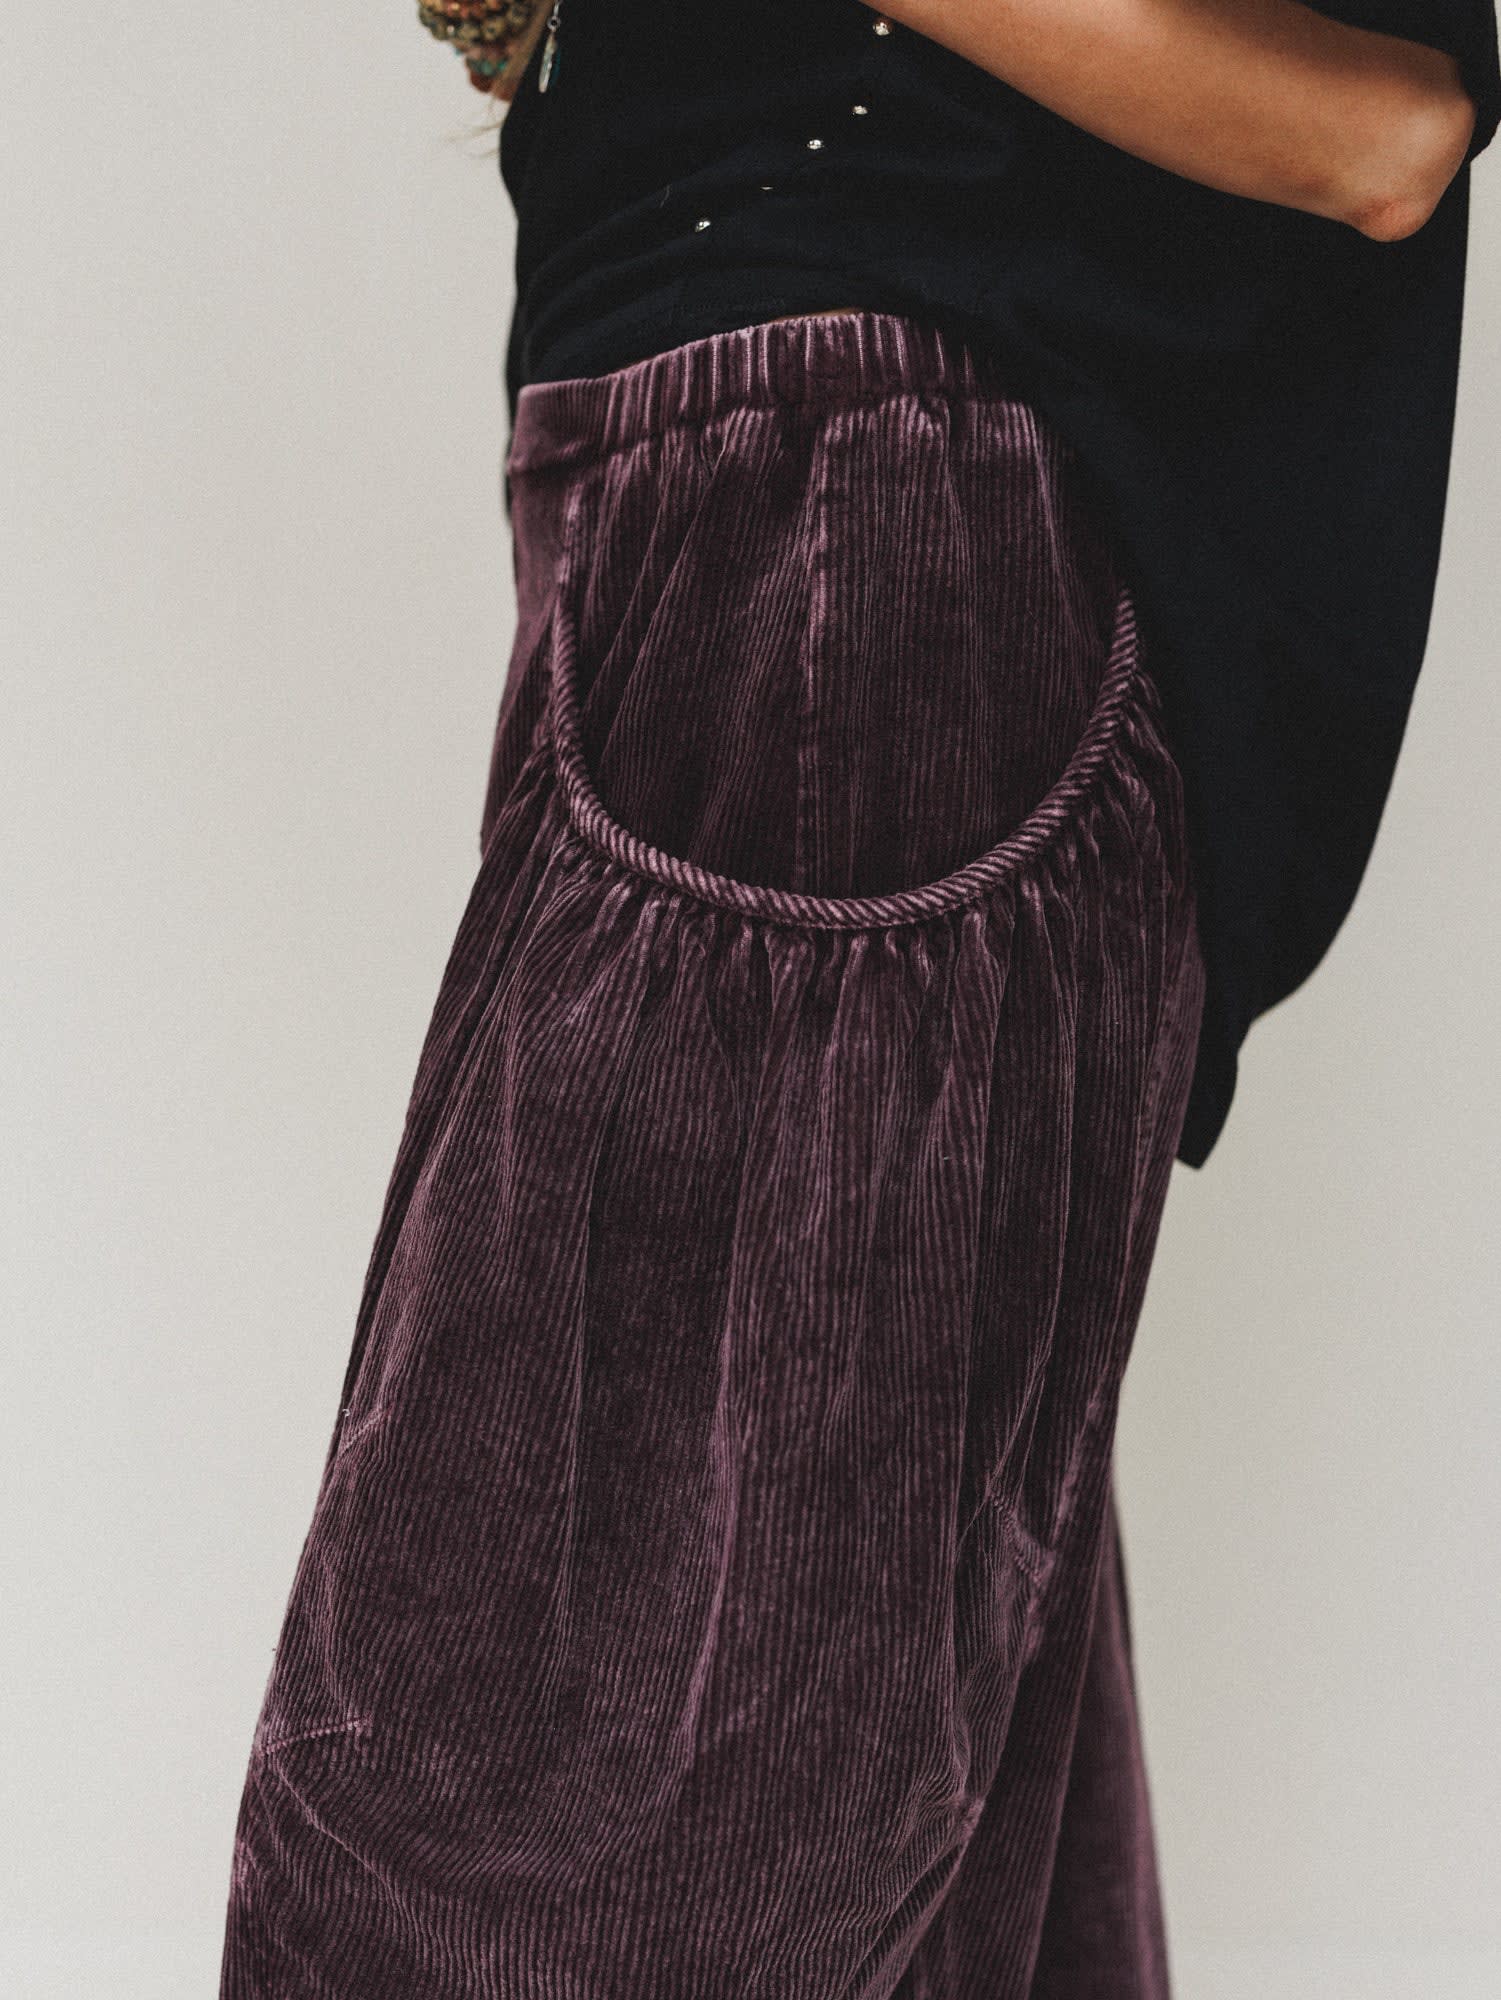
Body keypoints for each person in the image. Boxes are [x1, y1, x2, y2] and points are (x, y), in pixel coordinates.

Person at [217, 5, 1499, 1995]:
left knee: (537, 1822)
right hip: (767, 545)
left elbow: (1382, 128)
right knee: (923, 1834)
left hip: (847, 540)